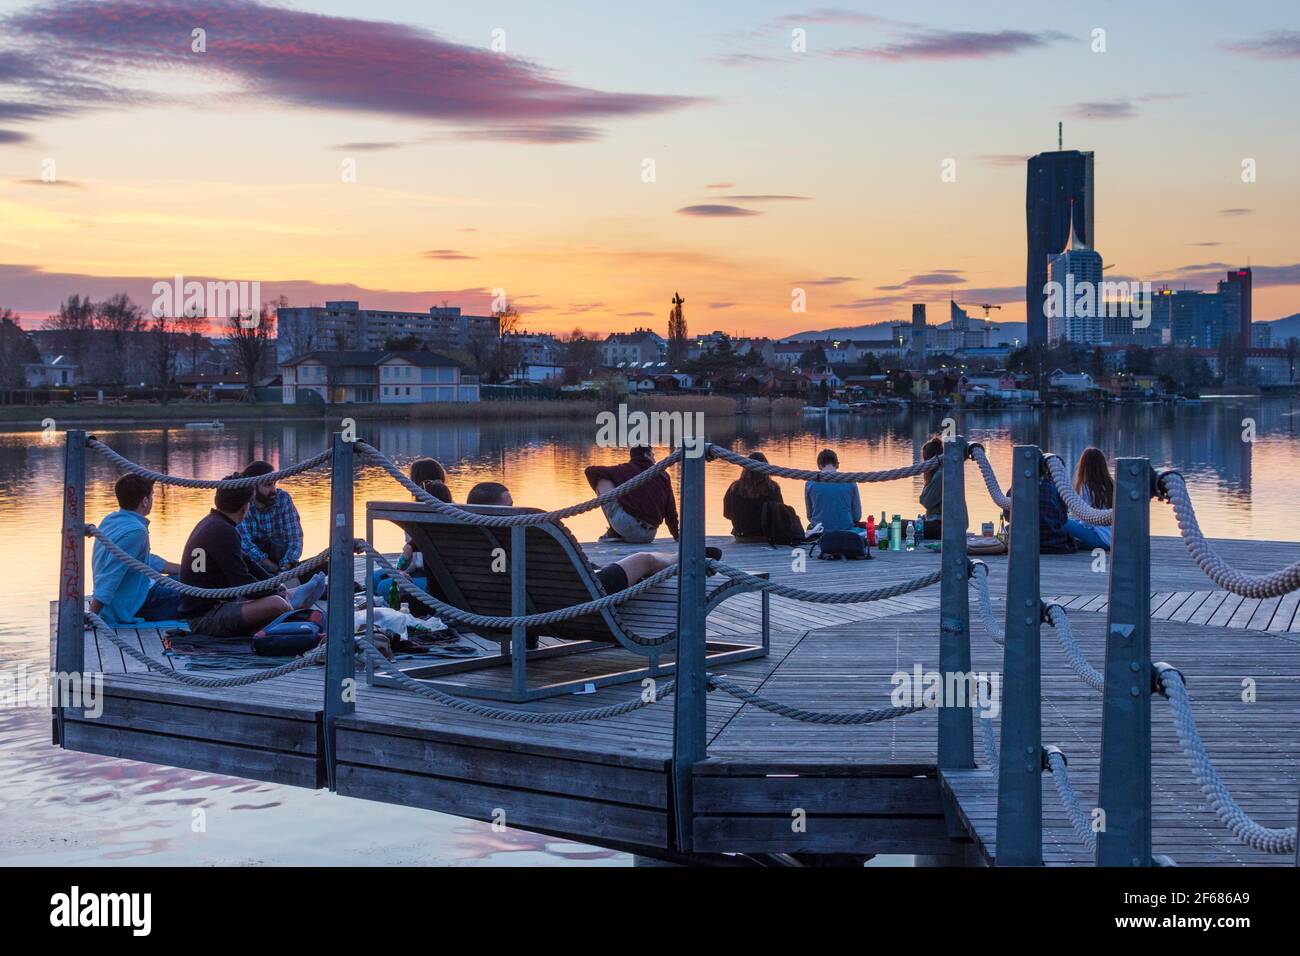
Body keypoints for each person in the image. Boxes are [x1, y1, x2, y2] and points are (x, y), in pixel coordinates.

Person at [467, 482, 718, 592]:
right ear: (497, 511)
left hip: (515, 605)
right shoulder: (525, 535)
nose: (515, 509)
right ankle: (685, 558)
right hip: (583, 597)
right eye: (509, 505)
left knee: (620, 566)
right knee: (643, 559)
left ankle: (669, 562)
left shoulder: (466, 540)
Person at [180, 474, 326, 637]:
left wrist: (276, 585)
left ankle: (290, 596)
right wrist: (276, 595)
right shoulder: (223, 531)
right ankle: (291, 605)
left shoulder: (213, 523)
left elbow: (248, 562)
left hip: (216, 606)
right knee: (276, 604)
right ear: (246, 506)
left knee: (276, 596)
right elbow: (244, 584)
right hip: (205, 619)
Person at [89, 474, 184, 625]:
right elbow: (111, 575)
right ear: (145, 501)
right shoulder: (135, 531)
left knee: (194, 580)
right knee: (203, 598)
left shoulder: (112, 520)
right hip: (137, 604)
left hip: (144, 587)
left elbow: (141, 560)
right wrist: (92, 615)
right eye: (152, 496)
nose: (153, 500)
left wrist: (183, 569)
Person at [584, 446, 679, 544]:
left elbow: (590, 471)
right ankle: (618, 531)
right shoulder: (663, 475)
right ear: (646, 455)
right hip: (649, 535)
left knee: (602, 481)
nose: (655, 460)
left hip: (627, 528)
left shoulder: (623, 470)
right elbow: (670, 511)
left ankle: (614, 531)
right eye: (653, 456)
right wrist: (676, 535)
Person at [237, 460, 304, 575]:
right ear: (253, 487)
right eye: (268, 485)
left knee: (323, 567)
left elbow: (295, 538)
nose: (273, 490)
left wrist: (284, 568)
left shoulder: (283, 499)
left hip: (284, 566)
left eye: (274, 484)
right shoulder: (243, 504)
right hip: (254, 568)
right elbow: (245, 543)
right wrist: (271, 567)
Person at [723, 452, 786, 541]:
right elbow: (780, 514)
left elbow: (727, 514)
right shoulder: (772, 488)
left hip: (742, 536)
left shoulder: (735, 488)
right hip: (767, 536)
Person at [1065, 447, 1114, 552]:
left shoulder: (1086, 487)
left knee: (1061, 521)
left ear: (1083, 466)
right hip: (1113, 538)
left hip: (1099, 538)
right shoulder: (1111, 485)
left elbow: (1085, 519)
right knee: (1073, 522)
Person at [803, 449, 861, 533]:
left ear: (819, 465)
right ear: (837, 465)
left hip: (819, 531)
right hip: (845, 531)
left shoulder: (810, 484)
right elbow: (857, 516)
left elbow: (809, 516)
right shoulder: (850, 482)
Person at [919, 436, 944, 539]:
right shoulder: (940, 473)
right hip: (937, 523)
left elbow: (925, 501)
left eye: (924, 459)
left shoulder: (940, 475)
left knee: (899, 526)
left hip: (940, 525)